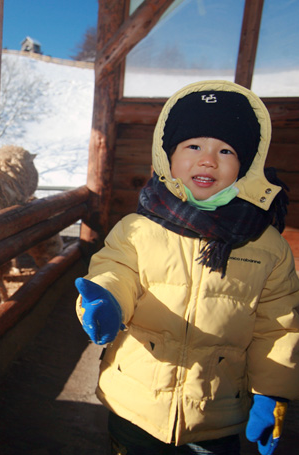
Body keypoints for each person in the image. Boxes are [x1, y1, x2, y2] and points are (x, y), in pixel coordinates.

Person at [75, 80, 299, 455]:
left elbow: (279, 328)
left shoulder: (268, 246)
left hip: (217, 413)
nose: (208, 159)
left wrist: (272, 392)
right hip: (135, 402)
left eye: (225, 150)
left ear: (246, 165)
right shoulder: (137, 228)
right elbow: (115, 270)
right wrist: (107, 301)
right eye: (193, 146)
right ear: (167, 156)